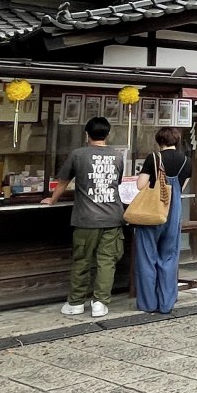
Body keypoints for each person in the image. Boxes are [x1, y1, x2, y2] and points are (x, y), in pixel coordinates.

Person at [43, 116, 125, 318]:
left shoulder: (78, 154)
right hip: (113, 217)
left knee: (82, 261)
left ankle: (76, 302)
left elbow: (63, 181)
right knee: (107, 262)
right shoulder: (117, 156)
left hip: (86, 218)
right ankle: (100, 303)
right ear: (108, 134)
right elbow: (117, 182)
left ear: (87, 134)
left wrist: (52, 199)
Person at [130, 128, 191, 314]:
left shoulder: (154, 158)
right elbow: (181, 187)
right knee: (169, 256)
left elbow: (140, 185)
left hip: (152, 212)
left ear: (159, 141)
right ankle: (166, 304)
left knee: (146, 257)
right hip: (174, 212)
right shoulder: (186, 161)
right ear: (176, 140)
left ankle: (148, 303)